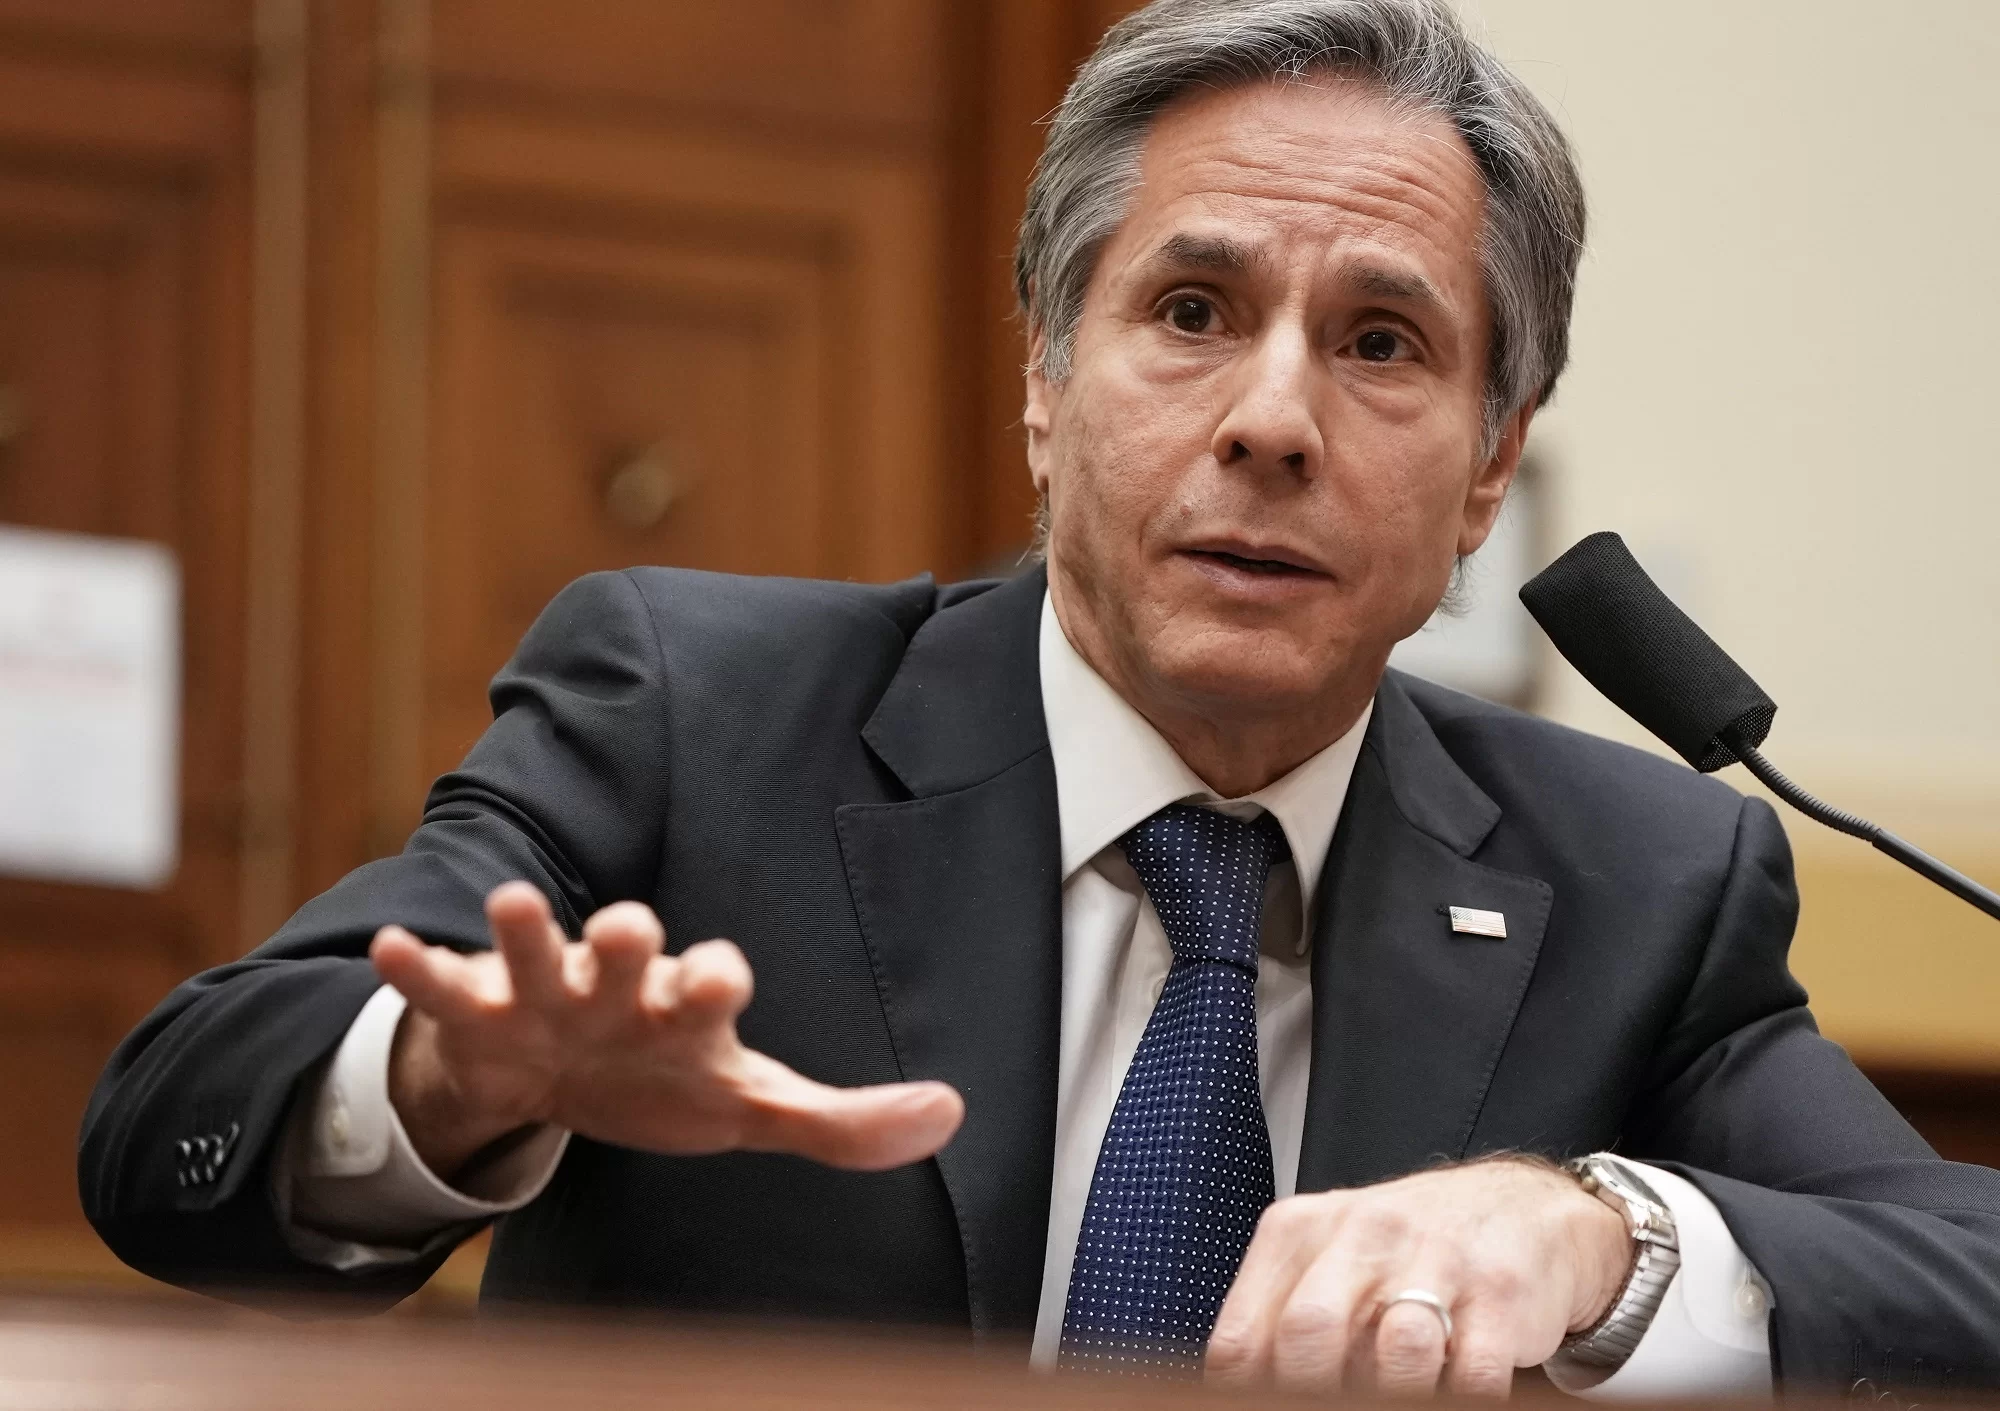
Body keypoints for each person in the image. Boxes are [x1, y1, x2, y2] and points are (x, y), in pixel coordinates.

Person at [80, 0, 2000, 1398]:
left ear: (1491, 469)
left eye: (1381, 342)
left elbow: (1961, 1267)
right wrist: (452, 1085)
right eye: (1191, 311)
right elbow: (172, 1124)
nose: (1272, 420)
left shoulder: (1639, 879)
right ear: (1044, 384)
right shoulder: (701, 717)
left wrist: (1598, 1229)